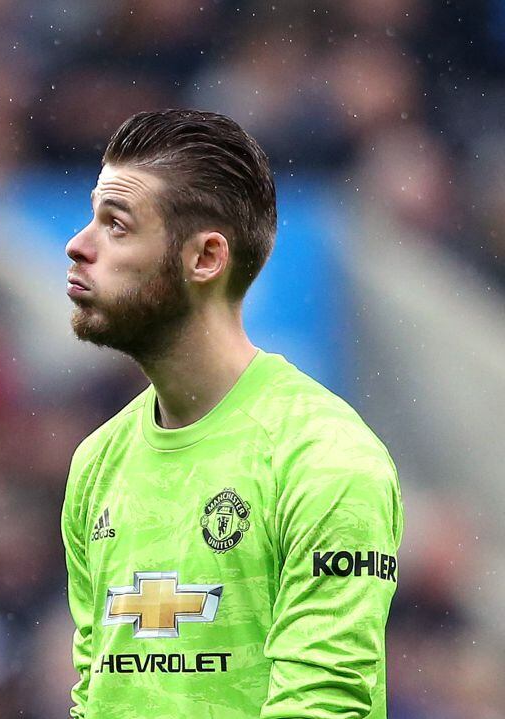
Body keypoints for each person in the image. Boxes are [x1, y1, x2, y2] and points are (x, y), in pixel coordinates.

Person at [61, 109, 403, 718]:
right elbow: (94, 699)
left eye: (116, 225)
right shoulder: (96, 465)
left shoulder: (325, 458)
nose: (78, 245)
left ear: (206, 258)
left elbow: (320, 705)